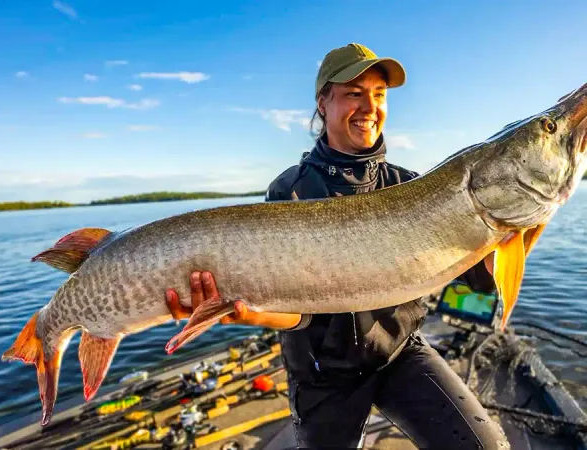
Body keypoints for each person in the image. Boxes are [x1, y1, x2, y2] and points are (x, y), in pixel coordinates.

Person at [165, 43, 509, 449]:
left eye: (379, 95)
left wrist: (517, 222)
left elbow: (480, 280)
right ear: (323, 102)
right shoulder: (291, 190)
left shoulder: (409, 184)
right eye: (353, 93)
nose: (369, 106)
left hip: (399, 352)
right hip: (321, 373)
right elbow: (298, 313)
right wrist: (244, 312)